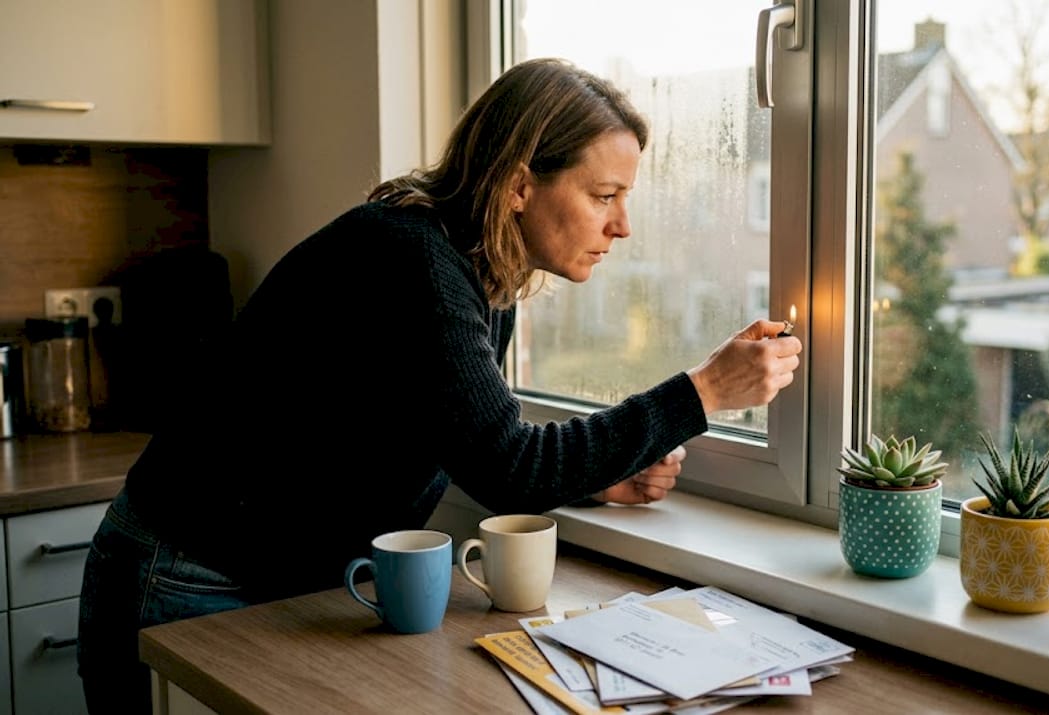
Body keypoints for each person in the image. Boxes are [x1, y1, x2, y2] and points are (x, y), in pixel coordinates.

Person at [76, 57, 802, 713]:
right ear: (520, 183)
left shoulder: (481, 269)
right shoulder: (414, 257)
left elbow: (474, 439)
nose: (623, 226)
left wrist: (598, 478)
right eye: (605, 194)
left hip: (284, 578)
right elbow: (507, 466)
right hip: (185, 573)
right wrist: (702, 391)